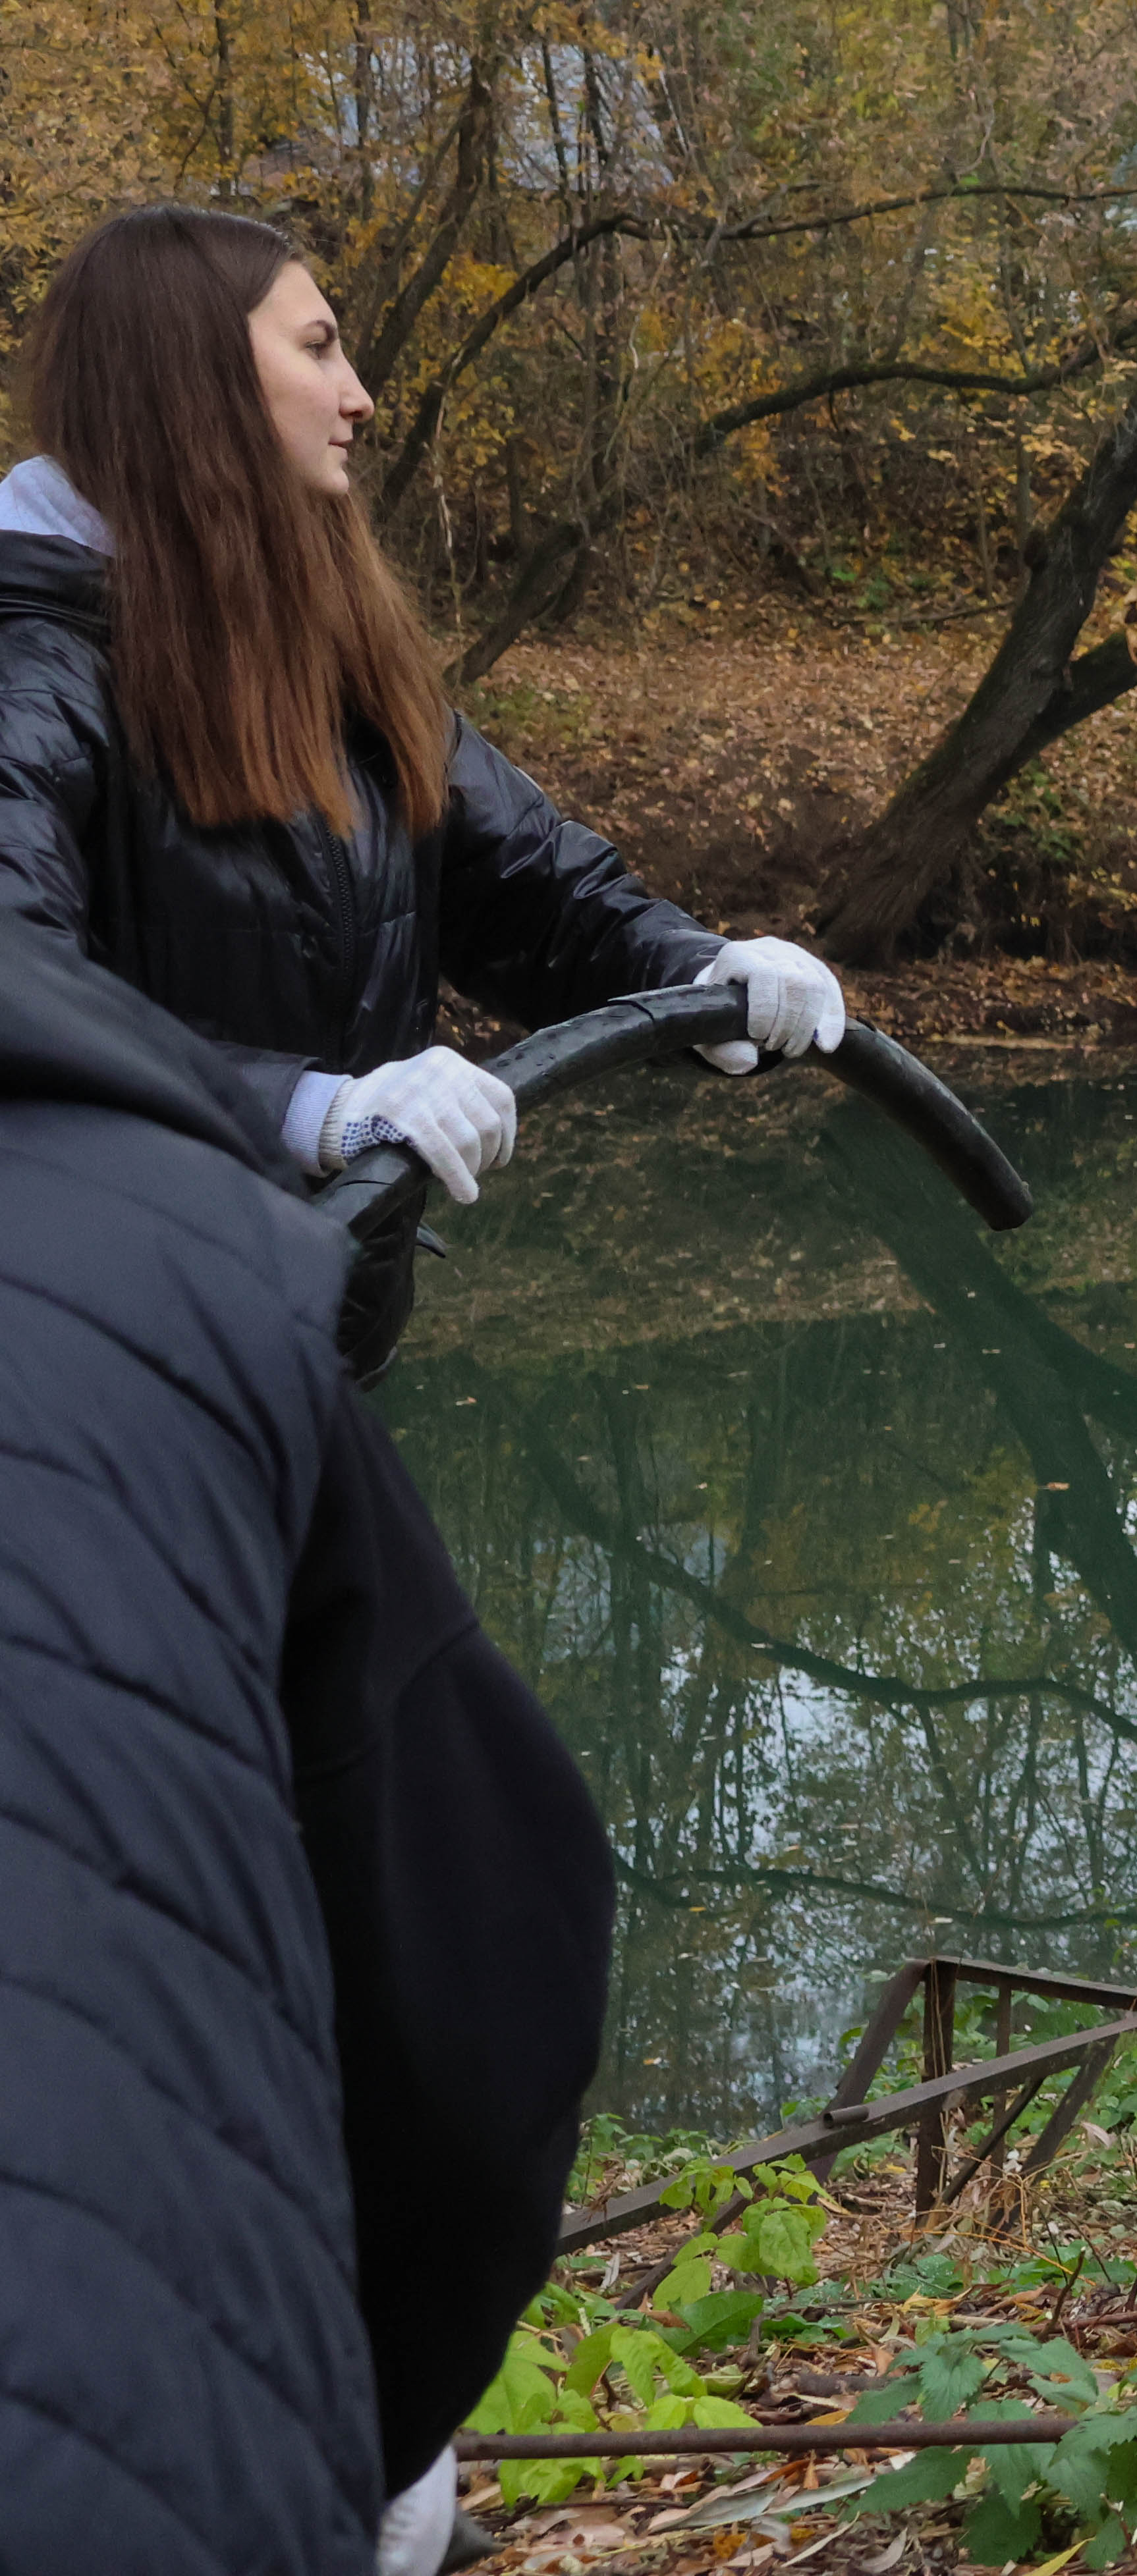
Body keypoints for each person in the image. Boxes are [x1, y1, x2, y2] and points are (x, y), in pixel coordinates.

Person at [0, 935, 615, 2574]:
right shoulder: (183, 1262)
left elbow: (502, 840)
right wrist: (374, 2424)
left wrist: (688, 959)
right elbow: (489, 1988)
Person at [0, 202, 847, 1371]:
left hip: (316, 1349)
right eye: (315, 347)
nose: (359, 394)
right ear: (186, 378)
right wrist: (307, 1110)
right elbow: (17, 1001)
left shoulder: (308, 638)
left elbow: (528, 888)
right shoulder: (27, 669)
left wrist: (696, 964)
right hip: (92, 1388)